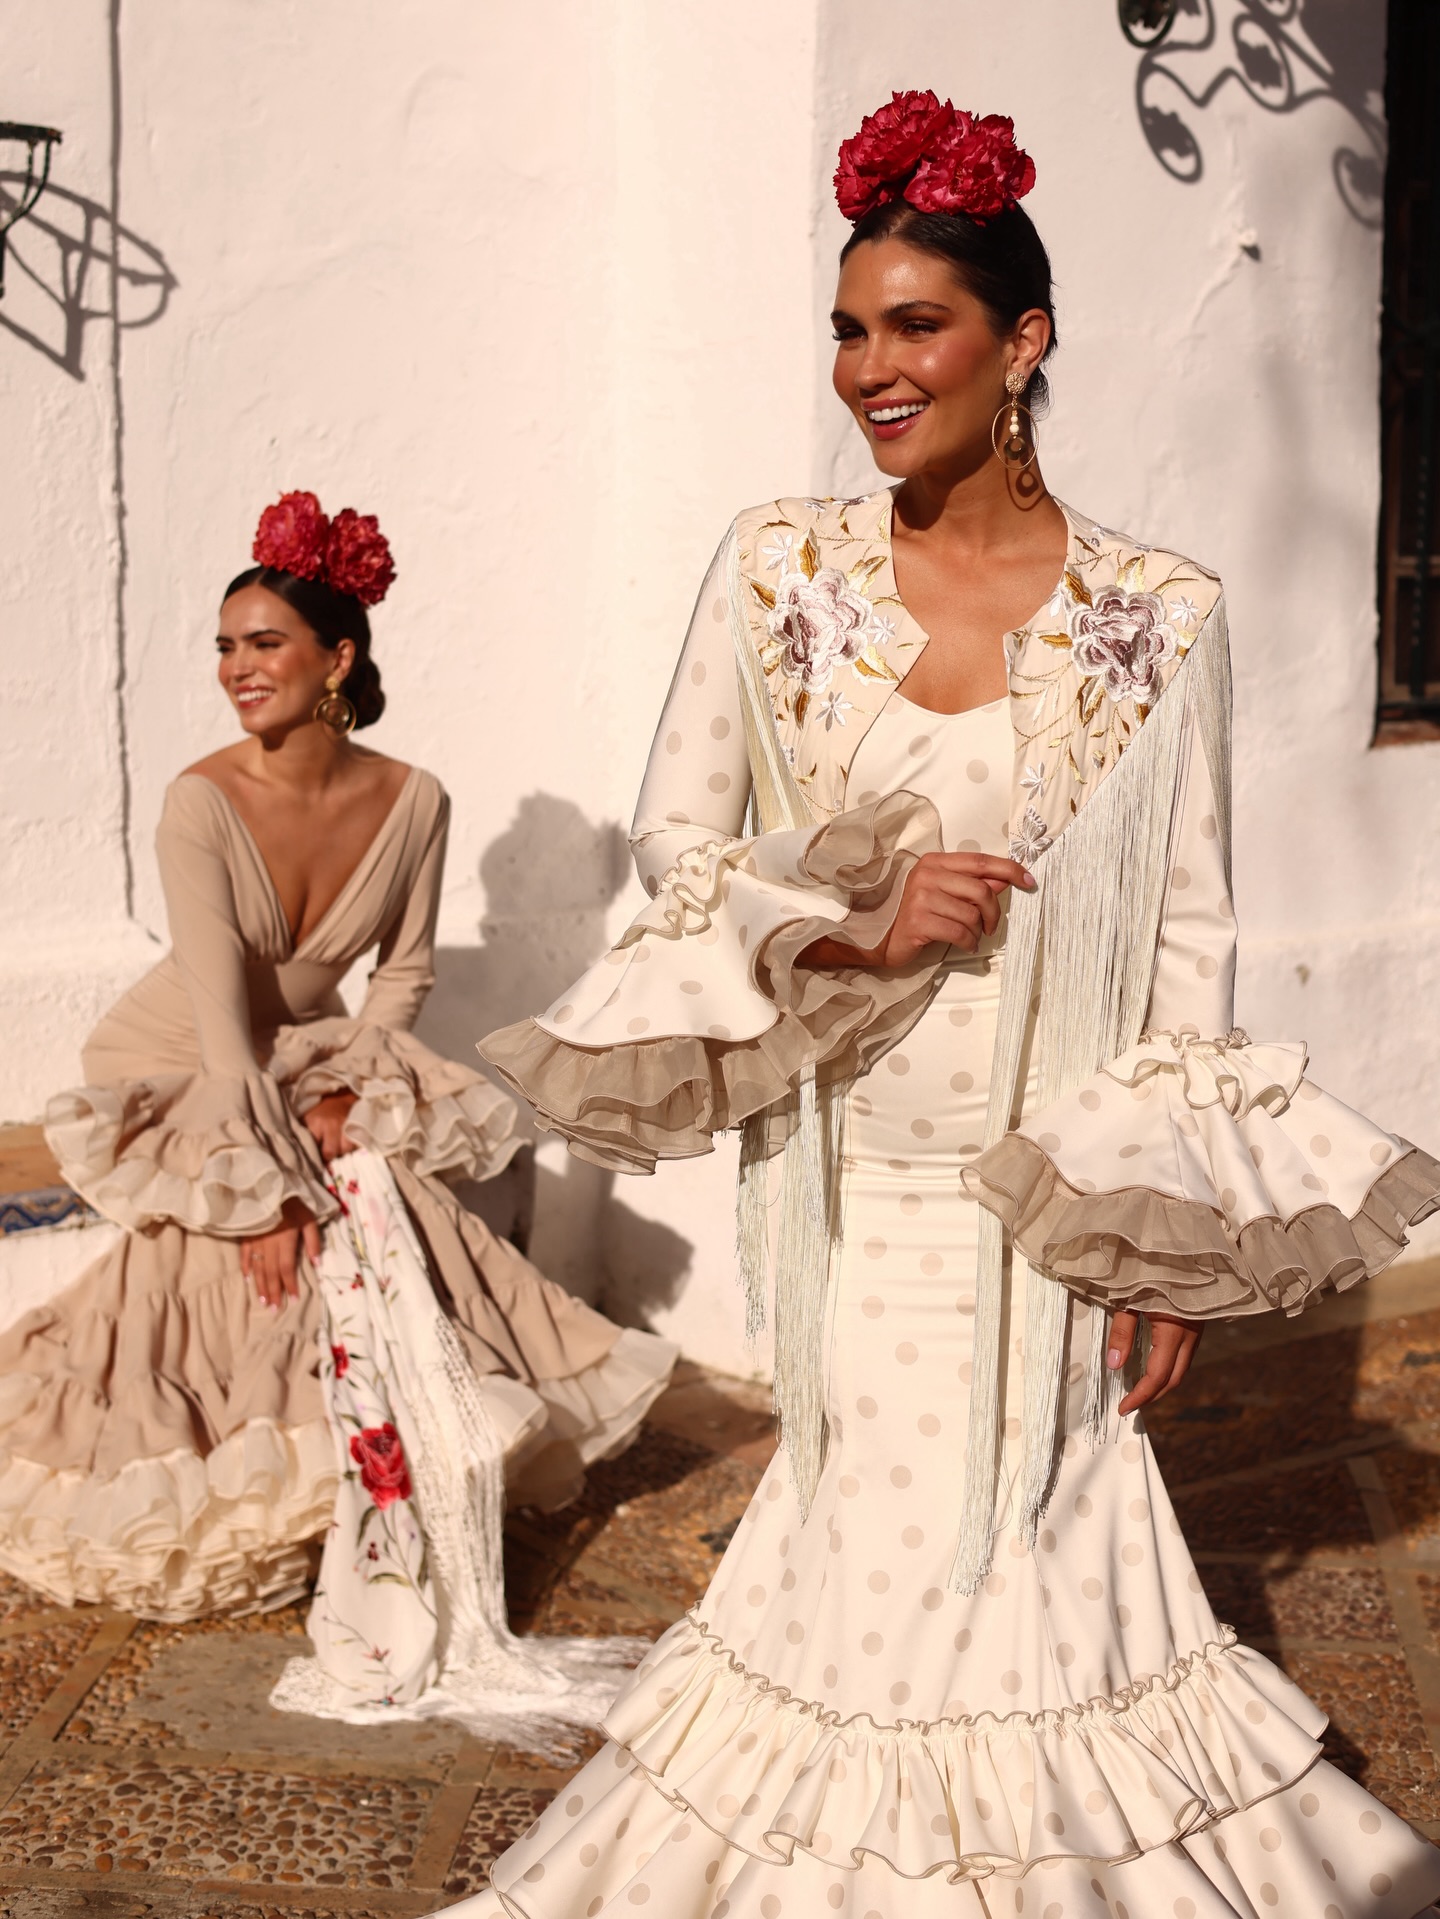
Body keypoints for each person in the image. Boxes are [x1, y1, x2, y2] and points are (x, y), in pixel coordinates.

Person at [456, 93, 1440, 1916]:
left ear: (1024, 341)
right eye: (850, 326)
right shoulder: (781, 573)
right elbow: (680, 841)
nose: (869, 369)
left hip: (1045, 1189)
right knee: (868, 1548)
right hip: (853, 1188)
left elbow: (1187, 938)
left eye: (916, 324)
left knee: (1049, 1550)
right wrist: (850, 911)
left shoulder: (1162, 612)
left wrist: (1160, 1238)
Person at [0, 489, 676, 1661]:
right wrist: (267, 1182)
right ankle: (270, 1478)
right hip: (181, 1051)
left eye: (262, 642)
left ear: (337, 657)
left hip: (306, 1047)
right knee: (264, 1240)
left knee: (384, 1190)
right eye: (224, 645)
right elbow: (220, 1031)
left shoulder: (414, 799)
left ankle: (413, 1446)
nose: (234, 668)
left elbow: (401, 980)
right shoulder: (198, 803)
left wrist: (343, 1091)